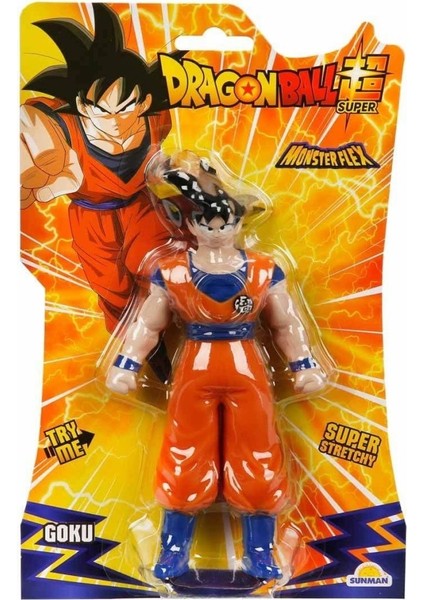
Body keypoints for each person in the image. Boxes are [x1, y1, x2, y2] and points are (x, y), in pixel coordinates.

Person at [106, 154, 326, 581]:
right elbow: (147, 324)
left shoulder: (264, 270)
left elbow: (287, 322)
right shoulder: (172, 271)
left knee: (258, 450)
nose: (216, 229)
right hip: (196, 365)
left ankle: (260, 548)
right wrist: (127, 364)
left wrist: (303, 364)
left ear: (239, 222)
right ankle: (173, 547)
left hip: (246, 365)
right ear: (190, 225)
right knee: (185, 450)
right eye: (206, 222)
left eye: (225, 221)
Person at [20, 3, 185, 336]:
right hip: (92, 220)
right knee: (115, 295)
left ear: (144, 102)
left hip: (143, 207)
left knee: (161, 272)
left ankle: (179, 334)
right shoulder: (62, 129)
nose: (114, 121)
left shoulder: (156, 120)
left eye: (125, 108)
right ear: (82, 105)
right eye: (101, 110)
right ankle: (137, 351)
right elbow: (34, 119)